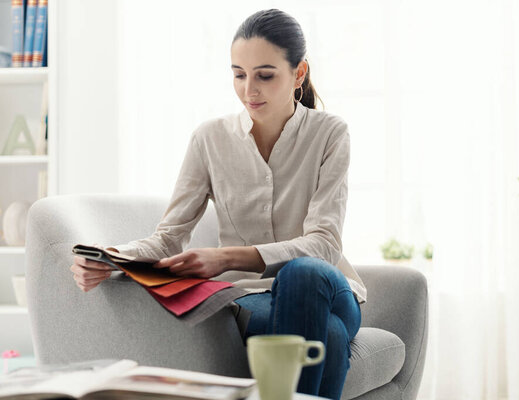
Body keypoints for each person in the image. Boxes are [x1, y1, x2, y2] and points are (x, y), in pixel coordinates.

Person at [69, 9, 367, 400]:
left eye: (265, 74)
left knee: (302, 273)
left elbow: (325, 244)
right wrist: (111, 258)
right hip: (252, 297)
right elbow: (169, 237)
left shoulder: (330, 133)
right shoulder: (209, 139)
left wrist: (225, 258)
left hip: (330, 288)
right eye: (239, 74)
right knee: (327, 334)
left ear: (298, 74)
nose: (249, 90)